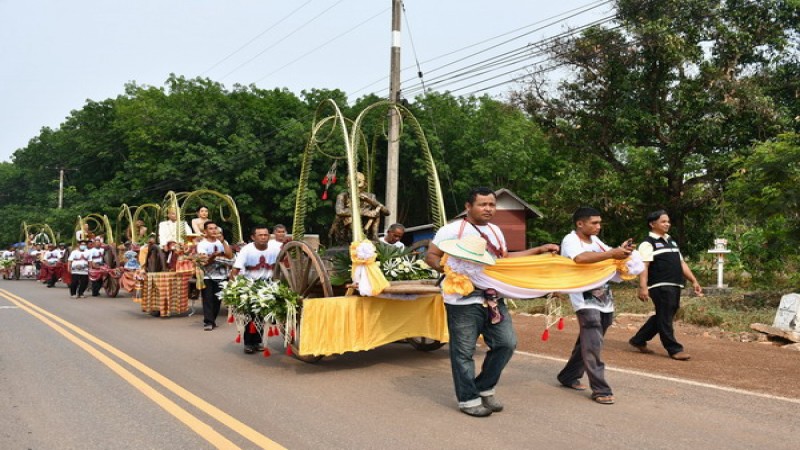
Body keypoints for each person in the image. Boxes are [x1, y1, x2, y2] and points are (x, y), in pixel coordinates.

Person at [425, 186, 559, 417]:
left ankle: (483, 388)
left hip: (493, 297)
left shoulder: (496, 230)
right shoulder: (452, 229)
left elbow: (503, 260)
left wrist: (538, 250)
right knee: (464, 352)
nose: (488, 209)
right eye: (483, 204)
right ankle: (468, 400)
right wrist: (450, 270)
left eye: (492, 205)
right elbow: (431, 256)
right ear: (469, 206)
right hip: (462, 300)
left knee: (506, 344)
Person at [556, 207, 634, 405]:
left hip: (603, 297)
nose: (598, 226)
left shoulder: (596, 241)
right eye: (594, 223)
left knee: (590, 339)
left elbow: (608, 255)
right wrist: (612, 254)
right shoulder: (571, 239)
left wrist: (620, 251)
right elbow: (580, 258)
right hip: (583, 296)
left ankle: (568, 375)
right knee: (593, 339)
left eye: (600, 223)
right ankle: (600, 388)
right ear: (580, 223)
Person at [629, 210, 703, 361]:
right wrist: (643, 286)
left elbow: (681, 263)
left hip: (675, 284)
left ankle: (638, 340)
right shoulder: (647, 243)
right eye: (663, 221)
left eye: (668, 221)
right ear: (652, 224)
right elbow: (644, 266)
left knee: (665, 314)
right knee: (665, 316)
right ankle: (674, 349)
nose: (667, 224)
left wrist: (694, 281)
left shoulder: (671, 241)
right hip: (660, 285)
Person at [230, 226, 280, 354]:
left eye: (266, 235)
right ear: (253, 237)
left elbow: (284, 266)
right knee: (251, 315)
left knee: (262, 315)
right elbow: (235, 270)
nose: (263, 237)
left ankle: (258, 341)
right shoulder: (247, 250)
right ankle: (249, 343)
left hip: (268, 285)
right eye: (260, 235)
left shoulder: (275, 249)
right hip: (250, 285)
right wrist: (234, 288)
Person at [330, 172, 390, 244]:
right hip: (348, 220)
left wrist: (370, 201)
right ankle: (352, 239)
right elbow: (339, 211)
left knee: (376, 212)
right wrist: (365, 212)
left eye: (359, 184)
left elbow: (386, 212)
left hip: (365, 222)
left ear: (365, 184)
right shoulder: (342, 196)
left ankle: (374, 236)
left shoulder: (370, 196)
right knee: (349, 218)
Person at [197, 221, 232, 331]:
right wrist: (213, 256)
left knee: (217, 300)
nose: (213, 231)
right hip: (207, 276)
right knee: (208, 299)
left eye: (215, 228)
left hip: (221, 276)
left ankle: (212, 320)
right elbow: (204, 262)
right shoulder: (202, 244)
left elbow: (230, 255)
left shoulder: (221, 242)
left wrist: (223, 242)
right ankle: (208, 322)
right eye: (210, 229)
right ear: (205, 231)